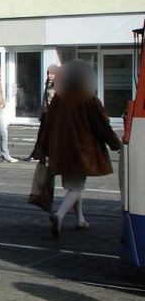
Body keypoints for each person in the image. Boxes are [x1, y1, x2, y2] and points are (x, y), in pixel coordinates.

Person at [40, 59, 121, 237]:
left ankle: (80, 219)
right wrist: (116, 144)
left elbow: (47, 124)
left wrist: (44, 149)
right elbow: (102, 125)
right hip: (82, 150)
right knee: (76, 187)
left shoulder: (58, 99)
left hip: (61, 149)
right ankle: (59, 215)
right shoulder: (89, 99)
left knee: (74, 186)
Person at [27, 64, 59, 162]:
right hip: (46, 114)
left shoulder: (57, 86)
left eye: (52, 74)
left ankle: (41, 155)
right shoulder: (48, 84)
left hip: (52, 115)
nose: (50, 76)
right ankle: (38, 155)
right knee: (42, 135)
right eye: (49, 74)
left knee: (47, 136)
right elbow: (44, 101)